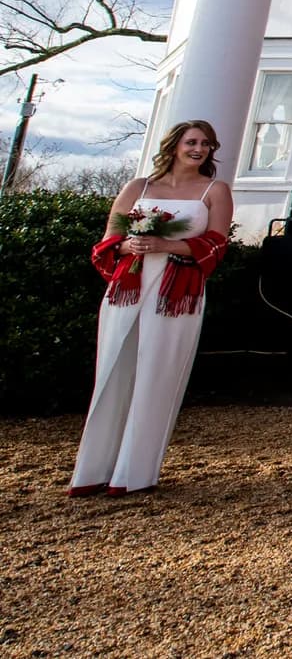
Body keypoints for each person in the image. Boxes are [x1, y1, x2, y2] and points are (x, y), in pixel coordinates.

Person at [71, 120, 233, 497]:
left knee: (156, 375)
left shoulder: (215, 189)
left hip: (177, 289)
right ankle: (93, 469)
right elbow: (110, 238)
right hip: (127, 285)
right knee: (113, 369)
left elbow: (217, 244)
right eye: (192, 142)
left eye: (206, 144)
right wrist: (129, 247)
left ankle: (135, 472)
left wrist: (166, 245)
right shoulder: (138, 187)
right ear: (174, 145)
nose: (199, 149)